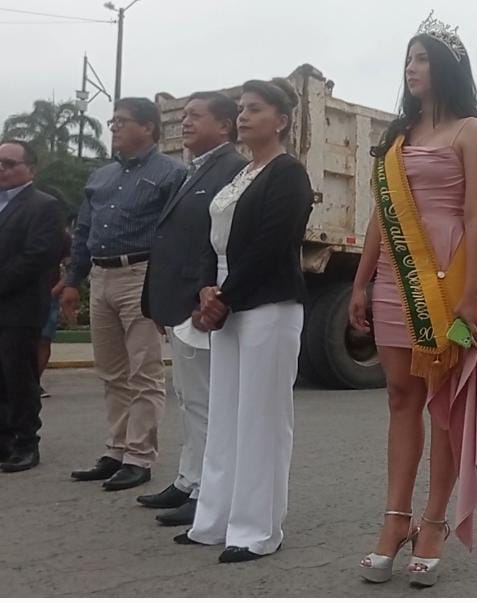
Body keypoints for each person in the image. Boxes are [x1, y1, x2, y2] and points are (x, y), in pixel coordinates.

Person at [349, 12, 477, 587]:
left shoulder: (471, 132)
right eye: (408, 59)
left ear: (447, 68)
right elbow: (380, 217)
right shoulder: (398, 136)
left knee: (444, 406)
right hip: (395, 280)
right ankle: (395, 519)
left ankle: (433, 523)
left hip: (450, 283)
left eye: (423, 59)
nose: (412, 68)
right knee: (399, 397)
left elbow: (476, 216)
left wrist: (471, 294)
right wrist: (361, 282)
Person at [173, 77, 313, 563]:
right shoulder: (241, 174)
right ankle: (214, 519)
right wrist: (205, 289)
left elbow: (272, 244)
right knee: (226, 414)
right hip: (227, 298)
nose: (244, 117)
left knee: (262, 418)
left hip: (267, 303)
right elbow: (214, 238)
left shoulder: (288, 174)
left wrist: (225, 297)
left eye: (255, 109)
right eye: (241, 109)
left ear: (282, 120)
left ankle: (257, 529)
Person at [62, 98, 187, 491]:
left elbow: (178, 234)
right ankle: (115, 450)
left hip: (142, 274)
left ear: (148, 127)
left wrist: (168, 284)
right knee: (112, 371)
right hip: (101, 275)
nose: (114, 127)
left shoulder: (171, 174)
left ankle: (139, 457)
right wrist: (72, 280)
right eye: (112, 121)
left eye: (122, 121)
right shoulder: (100, 176)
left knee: (144, 370)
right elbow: (83, 231)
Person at [138, 92, 247, 526]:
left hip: (197, 303)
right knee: (188, 398)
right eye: (183, 116)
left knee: (205, 401)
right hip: (176, 303)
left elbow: (216, 242)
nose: (184, 123)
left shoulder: (232, 170)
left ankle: (206, 490)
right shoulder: (194, 169)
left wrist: (204, 296)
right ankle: (188, 479)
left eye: (195, 116)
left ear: (224, 126)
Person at [0, 140, 64, 472]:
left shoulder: (43, 206)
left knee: (18, 377)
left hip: (20, 306)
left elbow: (37, 256)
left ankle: (26, 443)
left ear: (31, 169)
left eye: (10, 164)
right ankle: (4, 441)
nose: (2, 169)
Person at [37, 229, 72, 398]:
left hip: (48, 294)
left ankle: (33, 383)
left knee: (44, 340)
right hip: (18, 294)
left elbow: (72, 265)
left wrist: (57, 289)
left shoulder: (61, 236)